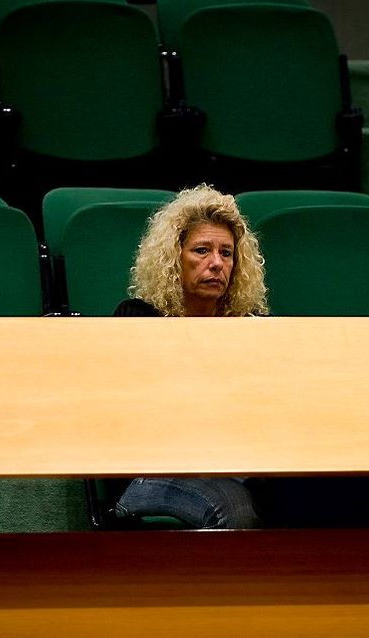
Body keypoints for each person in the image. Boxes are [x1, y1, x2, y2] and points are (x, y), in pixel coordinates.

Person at [110, 184, 268, 529]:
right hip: (148, 472)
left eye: (226, 253)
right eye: (202, 251)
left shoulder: (250, 329)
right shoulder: (137, 318)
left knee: (312, 493)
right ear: (174, 257)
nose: (216, 264)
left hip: (232, 464)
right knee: (235, 506)